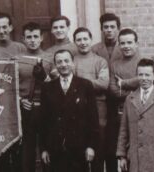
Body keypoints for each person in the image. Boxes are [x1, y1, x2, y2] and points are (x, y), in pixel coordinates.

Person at [40, 49, 99, 172]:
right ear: (56, 65)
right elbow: (43, 121)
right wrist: (44, 149)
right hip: (55, 148)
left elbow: (93, 119)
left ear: (73, 63)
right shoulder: (48, 88)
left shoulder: (85, 85)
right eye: (59, 62)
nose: (63, 64)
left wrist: (91, 146)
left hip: (79, 147)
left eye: (66, 61)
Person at [116, 58, 154, 172]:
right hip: (135, 157)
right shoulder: (130, 98)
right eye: (141, 75)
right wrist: (122, 155)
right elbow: (123, 129)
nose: (144, 78)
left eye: (147, 75)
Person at [17, 22, 53, 172]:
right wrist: (20, 100)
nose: (32, 40)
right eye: (29, 37)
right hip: (25, 108)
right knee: (27, 149)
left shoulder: (50, 59)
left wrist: (44, 77)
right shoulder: (16, 59)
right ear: (23, 39)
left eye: (35, 37)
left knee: (48, 147)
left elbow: (57, 86)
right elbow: (9, 87)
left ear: (42, 38)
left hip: (47, 109)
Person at [73, 27, 109, 172]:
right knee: (78, 150)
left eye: (85, 39)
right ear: (75, 42)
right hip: (77, 109)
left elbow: (103, 84)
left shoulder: (100, 61)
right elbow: (67, 84)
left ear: (91, 39)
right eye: (79, 40)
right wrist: (90, 82)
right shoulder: (71, 61)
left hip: (99, 109)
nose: (82, 42)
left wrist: (80, 82)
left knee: (98, 149)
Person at [91, 13, 123, 172]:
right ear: (101, 29)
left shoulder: (125, 47)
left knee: (117, 141)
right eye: (106, 27)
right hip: (100, 100)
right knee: (101, 139)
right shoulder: (95, 49)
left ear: (118, 29)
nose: (109, 30)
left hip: (120, 100)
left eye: (112, 27)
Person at [108, 28, 141, 171]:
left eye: (129, 42)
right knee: (123, 150)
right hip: (121, 112)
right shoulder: (115, 64)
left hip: (141, 112)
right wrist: (134, 87)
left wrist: (124, 83)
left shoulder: (144, 62)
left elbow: (145, 84)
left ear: (136, 44)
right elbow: (114, 90)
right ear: (119, 45)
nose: (126, 46)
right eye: (122, 43)